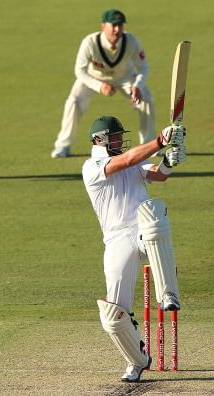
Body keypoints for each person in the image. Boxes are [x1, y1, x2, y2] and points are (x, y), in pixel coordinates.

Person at [82, 115, 186, 382]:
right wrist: (161, 141)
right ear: (99, 139)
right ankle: (137, 362)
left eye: (119, 136)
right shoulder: (92, 166)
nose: (119, 140)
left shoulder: (130, 158)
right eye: (114, 137)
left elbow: (158, 176)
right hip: (116, 240)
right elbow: (126, 161)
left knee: (153, 216)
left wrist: (169, 161)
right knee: (113, 314)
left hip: (141, 229)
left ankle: (168, 294)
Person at [51, 9, 157, 158]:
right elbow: (80, 71)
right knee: (73, 102)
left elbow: (144, 67)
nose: (117, 29)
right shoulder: (90, 42)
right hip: (94, 77)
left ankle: (149, 145)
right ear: (103, 26)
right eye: (113, 25)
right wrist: (100, 86)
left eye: (120, 25)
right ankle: (63, 145)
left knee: (146, 99)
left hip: (125, 77)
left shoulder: (131, 41)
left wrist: (137, 85)